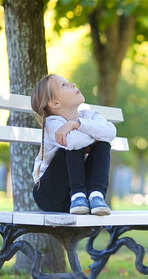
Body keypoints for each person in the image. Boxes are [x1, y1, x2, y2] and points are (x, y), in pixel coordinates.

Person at [30, 74, 116, 216]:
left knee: (103, 143)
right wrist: (93, 133)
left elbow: (111, 133)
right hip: (50, 194)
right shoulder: (52, 123)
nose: (73, 84)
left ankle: (97, 196)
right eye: (64, 85)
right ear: (55, 103)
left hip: (82, 199)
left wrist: (75, 124)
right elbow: (72, 142)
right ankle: (78, 195)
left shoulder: (91, 116)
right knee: (72, 142)